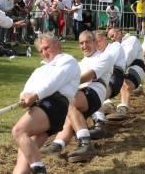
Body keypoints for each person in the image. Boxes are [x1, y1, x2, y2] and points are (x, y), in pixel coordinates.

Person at [40, 31, 113, 163]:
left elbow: (88, 76)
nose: (84, 46)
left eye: (87, 42)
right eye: (81, 43)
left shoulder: (104, 57)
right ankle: (58, 145)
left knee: (69, 102)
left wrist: (60, 84)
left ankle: (86, 143)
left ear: (95, 42)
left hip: (95, 91)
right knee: (69, 113)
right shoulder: (80, 63)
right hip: (81, 93)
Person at [12, 33, 80, 174]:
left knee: (19, 131)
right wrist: (24, 96)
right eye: (41, 51)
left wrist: (35, 95)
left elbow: (54, 82)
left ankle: (40, 170)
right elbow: (28, 87)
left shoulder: (68, 61)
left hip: (54, 104)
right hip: (41, 107)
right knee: (25, 150)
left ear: (57, 45)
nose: (44, 53)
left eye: (46, 48)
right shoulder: (40, 69)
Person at [89, 31, 126, 139]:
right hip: (102, 75)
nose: (96, 44)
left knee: (94, 95)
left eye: (98, 41)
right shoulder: (96, 54)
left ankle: (100, 124)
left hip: (114, 76)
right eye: (94, 42)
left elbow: (108, 62)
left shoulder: (115, 46)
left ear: (105, 39)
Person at [105, 28, 145, 121]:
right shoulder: (113, 47)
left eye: (113, 35)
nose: (112, 39)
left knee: (125, 83)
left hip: (136, 67)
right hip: (119, 69)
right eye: (109, 37)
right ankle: (107, 104)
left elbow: (128, 56)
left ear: (120, 32)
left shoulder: (131, 40)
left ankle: (123, 108)